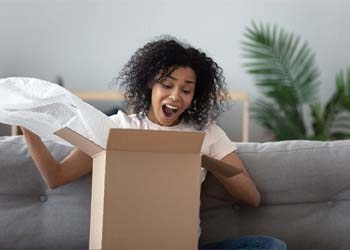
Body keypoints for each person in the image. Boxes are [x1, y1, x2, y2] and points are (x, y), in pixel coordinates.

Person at [21, 37, 287, 250]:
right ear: (151, 84)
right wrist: (26, 125)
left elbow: (251, 198)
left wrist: (204, 159)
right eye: (167, 85)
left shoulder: (207, 133)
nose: (175, 96)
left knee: (270, 246)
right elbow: (56, 176)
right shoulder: (117, 127)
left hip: (183, 245)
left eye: (186, 90)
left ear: (195, 95)